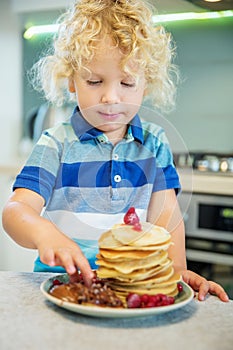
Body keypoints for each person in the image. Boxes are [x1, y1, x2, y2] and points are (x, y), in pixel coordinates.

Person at [2, 0, 228, 302]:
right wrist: (44, 232)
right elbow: (15, 212)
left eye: (127, 82)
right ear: (71, 80)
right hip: (62, 290)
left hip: (131, 292)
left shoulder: (154, 143)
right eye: (94, 81)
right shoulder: (55, 143)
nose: (111, 96)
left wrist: (174, 270)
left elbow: (167, 218)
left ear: (145, 83)